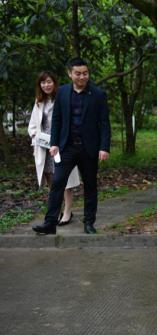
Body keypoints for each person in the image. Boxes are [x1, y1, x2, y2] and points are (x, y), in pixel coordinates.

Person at [32, 58, 111, 235]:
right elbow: (57, 119)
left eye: (85, 73)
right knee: (57, 184)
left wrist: (104, 147)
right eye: (78, 73)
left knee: (90, 186)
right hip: (67, 147)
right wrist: (54, 144)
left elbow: (104, 123)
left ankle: (89, 223)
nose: (82, 77)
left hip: (89, 148)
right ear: (70, 73)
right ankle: (50, 223)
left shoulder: (98, 94)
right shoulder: (62, 92)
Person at [28, 71, 80, 226]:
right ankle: (55, 210)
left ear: (54, 83)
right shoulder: (39, 102)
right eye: (43, 83)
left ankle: (67, 212)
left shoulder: (63, 99)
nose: (46, 85)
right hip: (45, 147)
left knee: (66, 181)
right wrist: (37, 137)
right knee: (52, 181)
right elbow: (32, 126)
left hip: (63, 145)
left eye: (49, 82)